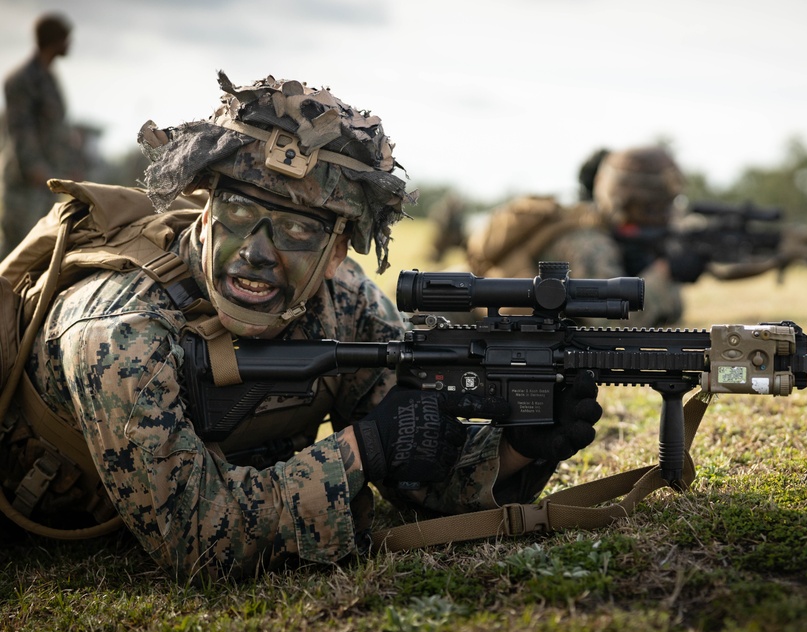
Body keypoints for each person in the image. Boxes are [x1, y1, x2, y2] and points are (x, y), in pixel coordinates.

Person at [4, 72, 602, 580]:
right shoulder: (122, 330)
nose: (258, 252)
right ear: (205, 213)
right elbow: (194, 541)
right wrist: (359, 448)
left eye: (295, 231)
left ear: (338, 251)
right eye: (240, 213)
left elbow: (416, 472)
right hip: (58, 517)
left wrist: (518, 449)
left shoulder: (343, 303)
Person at [467, 144, 686, 327]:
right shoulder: (588, 243)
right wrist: (664, 273)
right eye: (654, 207)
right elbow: (612, 326)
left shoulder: (606, 231)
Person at [0, 13, 76, 258]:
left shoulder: (49, 79)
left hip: (44, 183)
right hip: (25, 184)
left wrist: (66, 170)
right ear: (56, 40)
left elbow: (55, 131)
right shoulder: (22, 79)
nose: (70, 44)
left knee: (36, 255)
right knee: (14, 253)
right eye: (66, 39)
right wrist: (36, 169)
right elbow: (20, 129)